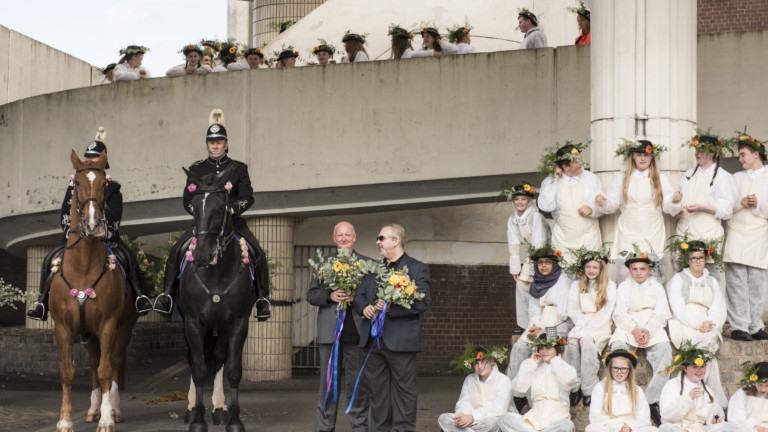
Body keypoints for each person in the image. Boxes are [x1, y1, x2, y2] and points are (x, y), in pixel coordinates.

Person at [153, 109, 270, 320]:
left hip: (233, 224)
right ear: (207, 144)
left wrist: (232, 209)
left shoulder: (238, 168)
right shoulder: (196, 169)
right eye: (211, 142)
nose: (215, 145)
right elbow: (187, 200)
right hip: (203, 225)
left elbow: (247, 197)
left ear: (226, 143)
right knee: (176, 251)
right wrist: (200, 214)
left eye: (219, 141)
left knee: (258, 253)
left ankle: (263, 299)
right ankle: (167, 296)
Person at [27, 127, 152, 321]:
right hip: (76, 238)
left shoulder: (112, 188)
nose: (90, 160)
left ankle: (141, 296)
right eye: (88, 156)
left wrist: (105, 231)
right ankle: (41, 302)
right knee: (49, 260)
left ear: (103, 161)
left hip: (105, 239)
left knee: (129, 258)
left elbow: (114, 216)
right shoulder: (75, 184)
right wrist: (72, 231)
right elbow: (65, 212)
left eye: (95, 157)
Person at [353, 223, 431, 432]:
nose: (377, 242)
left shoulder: (417, 268)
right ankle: (380, 429)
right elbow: (359, 296)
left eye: (381, 238)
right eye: (378, 239)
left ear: (395, 241)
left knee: (404, 390)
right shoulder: (373, 269)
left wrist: (390, 310)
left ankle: (403, 429)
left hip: (401, 341)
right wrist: (365, 308)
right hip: (372, 340)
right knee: (377, 391)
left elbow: (423, 303)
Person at [307, 221, 370, 432]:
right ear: (334, 238)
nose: (344, 238)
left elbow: (373, 296)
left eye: (347, 235)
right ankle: (325, 427)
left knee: (357, 385)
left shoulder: (367, 264)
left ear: (354, 237)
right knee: (328, 385)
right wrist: (330, 295)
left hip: (357, 333)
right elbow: (311, 294)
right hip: (329, 334)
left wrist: (358, 298)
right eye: (339, 235)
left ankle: (360, 427)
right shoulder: (323, 264)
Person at [608, 246, 671, 425]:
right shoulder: (623, 287)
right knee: (618, 349)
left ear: (649, 269)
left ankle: (653, 399)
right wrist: (634, 329)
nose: (638, 273)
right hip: (629, 325)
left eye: (643, 269)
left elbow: (662, 314)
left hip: (651, 325)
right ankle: (622, 394)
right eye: (634, 269)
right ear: (629, 270)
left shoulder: (657, 287)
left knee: (665, 354)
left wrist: (648, 330)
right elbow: (619, 313)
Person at [506, 243, 572, 413]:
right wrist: (535, 325)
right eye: (540, 263)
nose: (544, 266)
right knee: (520, 347)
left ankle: (542, 394)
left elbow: (563, 312)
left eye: (548, 262)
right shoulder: (536, 282)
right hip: (539, 321)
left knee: (546, 346)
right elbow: (534, 308)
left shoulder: (562, 281)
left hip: (557, 323)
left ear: (554, 264)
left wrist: (542, 327)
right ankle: (515, 394)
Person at [668, 131, 737, 291]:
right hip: (685, 232)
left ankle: (713, 315)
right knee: (683, 280)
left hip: (708, 234)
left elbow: (727, 209)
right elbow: (675, 203)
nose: (696, 153)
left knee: (712, 281)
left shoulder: (722, 177)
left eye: (701, 150)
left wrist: (702, 207)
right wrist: (676, 206)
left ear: (713, 152)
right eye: (696, 149)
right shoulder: (688, 175)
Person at [595, 139, 674, 280]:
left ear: (652, 157)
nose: (642, 158)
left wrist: (675, 201)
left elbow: (668, 204)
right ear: (633, 156)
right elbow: (613, 203)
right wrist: (604, 202)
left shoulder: (659, 178)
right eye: (639, 154)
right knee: (626, 275)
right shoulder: (622, 178)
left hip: (653, 232)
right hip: (628, 231)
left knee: (654, 275)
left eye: (646, 155)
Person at [666, 236, 728, 408]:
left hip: (708, 322)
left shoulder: (712, 281)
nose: (697, 262)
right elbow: (678, 308)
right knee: (706, 358)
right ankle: (710, 400)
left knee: (707, 352)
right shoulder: (678, 279)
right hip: (685, 323)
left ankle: (704, 399)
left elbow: (719, 307)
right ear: (688, 260)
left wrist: (711, 322)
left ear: (706, 259)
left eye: (700, 258)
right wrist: (697, 324)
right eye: (694, 258)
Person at [723, 130, 768, 341]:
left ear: (755, 154)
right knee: (736, 281)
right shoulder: (735, 178)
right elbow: (725, 204)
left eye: (742, 155)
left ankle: (755, 325)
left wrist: (758, 203)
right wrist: (741, 203)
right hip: (736, 232)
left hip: (758, 233)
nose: (740, 159)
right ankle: (738, 325)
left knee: (757, 281)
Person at [538, 140, 606, 267]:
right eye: (577, 161)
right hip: (563, 240)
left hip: (589, 238)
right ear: (565, 166)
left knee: (590, 278)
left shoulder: (591, 178)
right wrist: (553, 178)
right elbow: (546, 206)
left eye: (580, 159)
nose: (581, 163)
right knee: (563, 278)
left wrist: (592, 209)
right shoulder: (550, 182)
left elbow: (603, 203)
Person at [564, 247, 617, 407]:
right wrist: (581, 325)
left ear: (601, 269)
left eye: (595, 267)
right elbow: (572, 310)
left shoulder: (610, 285)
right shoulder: (576, 285)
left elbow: (606, 312)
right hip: (580, 323)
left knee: (586, 341)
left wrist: (587, 328)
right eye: (588, 267)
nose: (591, 270)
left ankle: (588, 388)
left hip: (600, 325)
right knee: (572, 343)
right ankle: (574, 386)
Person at [498, 334, 578, 432]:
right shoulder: (534, 369)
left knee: (567, 425)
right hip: (534, 421)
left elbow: (568, 381)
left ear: (557, 349)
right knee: (505, 418)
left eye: (548, 347)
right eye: (541, 348)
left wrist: (556, 360)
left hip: (556, 420)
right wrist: (531, 364)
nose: (544, 351)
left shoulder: (564, 367)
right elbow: (519, 388)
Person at [505, 182, 551, 334]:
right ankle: (525, 324)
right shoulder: (512, 219)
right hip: (531, 254)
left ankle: (540, 322)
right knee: (521, 285)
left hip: (545, 254)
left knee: (539, 288)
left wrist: (538, 266)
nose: (520, 202)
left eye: (523, 199)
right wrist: (515, 267)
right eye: (517, 199)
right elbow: (513, 242)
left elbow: (540, 242)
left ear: (530, 200)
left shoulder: (535, 216)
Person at [438, 344, 512, 432]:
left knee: (496, 422)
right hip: (471, 421)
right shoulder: (469, 379)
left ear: (492, 361)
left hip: (489, 420)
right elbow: (464, 402)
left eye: (483, 361)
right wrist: (462, 416)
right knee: (443, 418)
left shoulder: (503, 380)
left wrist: (473, 417)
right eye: (476, 363)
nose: (480, 366)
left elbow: (498, 409)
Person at [658, 342, 729, 432]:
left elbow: (715, 412)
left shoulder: (707, 390)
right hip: (677, 428)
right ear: (685, 368)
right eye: (695, 367)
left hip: (699, 429)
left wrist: (714, 420)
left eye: (702, 367)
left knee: (727, 427)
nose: (699, 371)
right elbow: (666, 414)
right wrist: (688, 399)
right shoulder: (672, 385)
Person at [586, 349, 657, 432]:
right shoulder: (600, 388)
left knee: (653, 430)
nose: (619, 372)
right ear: (610, 369)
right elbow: (595, 416)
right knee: (591, 428)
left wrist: (631, 426)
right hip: (610, 429)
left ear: (629, 370)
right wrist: (617, 427)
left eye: (623, 369)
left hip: (630, 429)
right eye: (615, 368)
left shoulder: (637, 390)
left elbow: (644, 418)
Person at [727, 361, 768, 432]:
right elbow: (736, 419)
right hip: (748, 429)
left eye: (767, 385)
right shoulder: (742, 394)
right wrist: (757, 428)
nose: (763, 389)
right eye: (760, 385)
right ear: (753, 382)